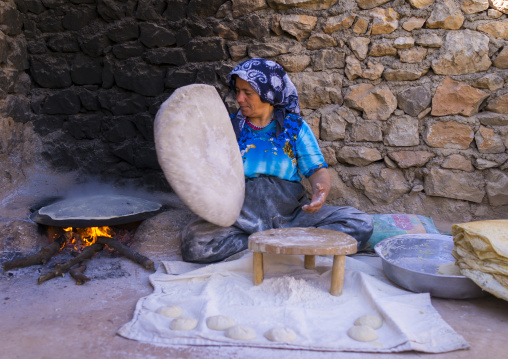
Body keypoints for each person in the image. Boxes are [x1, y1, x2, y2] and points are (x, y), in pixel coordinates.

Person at [180, 58, 373, 263]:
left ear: (268, 93)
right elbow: (211, 172)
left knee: (360, 223)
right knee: (194, 244)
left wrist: (320, 191)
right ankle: (278, 244)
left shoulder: (294, 127)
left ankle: (265, 245)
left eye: (248, 93)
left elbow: (317, 170)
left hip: (291, 214)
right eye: (237, 91)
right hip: (243, 214)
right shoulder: (228, 128)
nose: (240, 98)